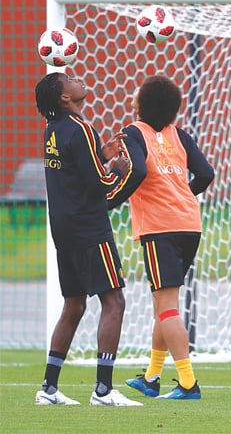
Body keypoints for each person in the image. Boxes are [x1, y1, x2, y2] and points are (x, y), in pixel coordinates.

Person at [34, 72, 141, 407]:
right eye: (68, 79)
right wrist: (119, 168)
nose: (77, 80)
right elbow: (98, 183)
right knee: (114, 302)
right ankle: (104, 390)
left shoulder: (55, 129)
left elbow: (77, 170)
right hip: (89, 227)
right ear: (64, 97)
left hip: (64, 228)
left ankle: (48, 388)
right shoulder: (79, 127)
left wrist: (101, 154)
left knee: (75, 304)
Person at [107, 75, 215, 400]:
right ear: (174, 111)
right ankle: (152, 377)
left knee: (166, 306)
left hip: (160, 228)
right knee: (163, 303)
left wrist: (108, 203)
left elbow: (137, 171)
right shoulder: (179, 134)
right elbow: (207, 173)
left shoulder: (132, 133)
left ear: (138, 104)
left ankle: (187, 383)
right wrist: (182, 194)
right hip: (189, 224)